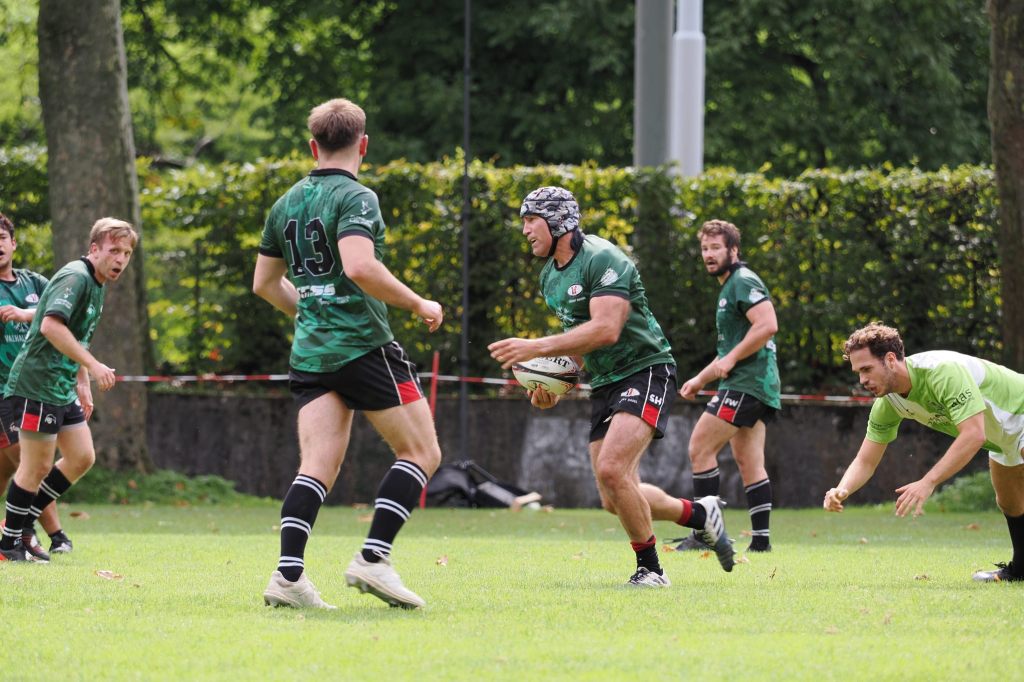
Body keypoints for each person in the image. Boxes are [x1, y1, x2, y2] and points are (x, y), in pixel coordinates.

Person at [488, 186, 734, 588]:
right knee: (612, 494)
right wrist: (554, 385)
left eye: (531, 220)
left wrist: (535, 347)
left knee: (612, 469)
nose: (526, 230)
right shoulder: (550, 277)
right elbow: (580, 348)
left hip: (646, 369)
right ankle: (701, 515)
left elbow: (606, 329)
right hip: (605, 382)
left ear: (557, 221)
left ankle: (652, 570)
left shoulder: (603, 258)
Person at [254, 97, 443, 610]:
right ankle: (373, 559)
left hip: (310, 354)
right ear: (363, 145)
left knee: (317, 465)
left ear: (312, 146)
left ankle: (288, 576)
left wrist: (311, 311)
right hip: (363, 345)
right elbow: (359, 266)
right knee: (422, 453)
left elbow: (264, 284)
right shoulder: (358, 197)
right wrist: (418, 302)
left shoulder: (285, 203)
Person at [825, 323, 1024, 583]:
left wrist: (928, 482)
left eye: (866, 369)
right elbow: (866, 460)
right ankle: (1021, 570)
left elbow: (974, 435)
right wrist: (842, 489)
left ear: (890, 359)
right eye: (858, 373)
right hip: (1002, 438)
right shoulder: (888, 403)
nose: (862, 380)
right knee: (1009, 501)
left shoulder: (941, 372)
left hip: (1020, 411)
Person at [0, 217, 136, 563]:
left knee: (81, 457)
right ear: (94, 249)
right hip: (34, 384)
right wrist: (93, 365)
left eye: (126, 253)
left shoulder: (97, 282)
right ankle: (10, 543)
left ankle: (23, 523)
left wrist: (82, 382)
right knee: (35, 466)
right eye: (114, 251)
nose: (120, 259)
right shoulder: (76, 276)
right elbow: (51, 325)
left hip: (60, 386)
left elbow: (65, 326)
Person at [674, 220, 781, 553]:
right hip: (755, 384)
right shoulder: (730, 286)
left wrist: (732, 359)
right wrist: (700, 380)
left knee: (700, 448)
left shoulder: (743, 280)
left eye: (716, 248)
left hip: (747, 383)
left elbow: (768, 324)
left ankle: (706, 532)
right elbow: (728, 353)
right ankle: (761, 543)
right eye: (705, 248)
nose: (709, 254)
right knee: (749, 461)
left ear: (733, 250)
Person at [0, 212, 73, 560]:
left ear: (14, 243)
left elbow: (63, 320)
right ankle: (41, 534)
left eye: (2, 238)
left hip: (37, 389)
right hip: (5, 392)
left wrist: (80, 380)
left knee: (11, 466)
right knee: (29, 461)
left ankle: (24, 530)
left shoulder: (35, 283)